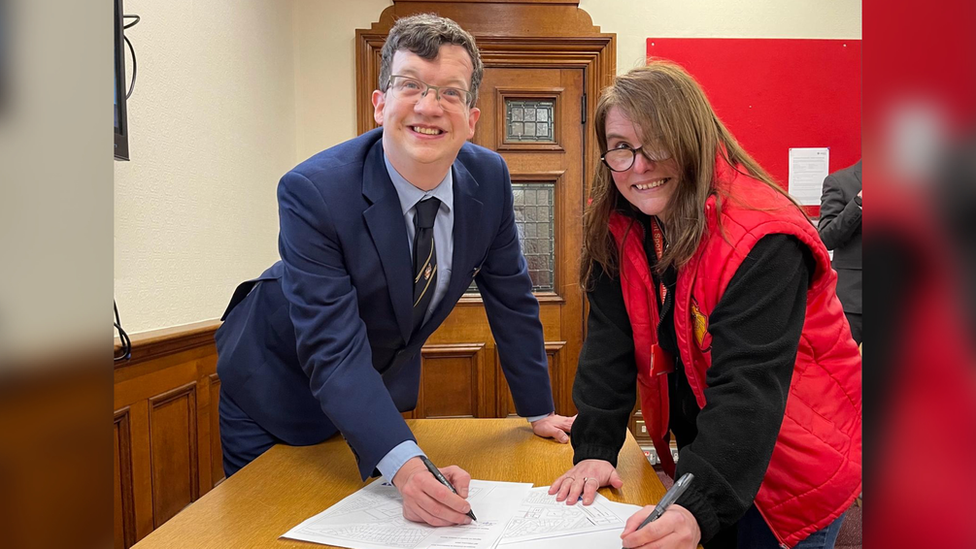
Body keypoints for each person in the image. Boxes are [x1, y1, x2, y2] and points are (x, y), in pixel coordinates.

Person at [214, 14, 573, 528]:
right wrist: (407, 467)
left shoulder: (489, 178)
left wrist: (538, 410)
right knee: (273, 530)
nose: (429, 107)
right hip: (275, 387)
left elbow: (512, 299)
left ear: (472, 118)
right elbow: (333, 347)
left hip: (372, 397)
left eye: (449, 92)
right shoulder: (313, 191)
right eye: (410, 86)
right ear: (380, 103)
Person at [547, 62, 861, 549]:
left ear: (695, 138)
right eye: (621, 148)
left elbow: (748, 386)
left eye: (656, 145)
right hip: (717, 452)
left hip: (793, 466)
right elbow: (609, 344)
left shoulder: (762, 235)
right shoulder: (621, 225)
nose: (638, 166)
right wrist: (595, 447)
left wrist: (698, 503)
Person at [818, 160, 862, 344]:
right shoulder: (839, 181)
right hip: (854, 300)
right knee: (843, 368)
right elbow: (826, 238)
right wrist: (859, 203)